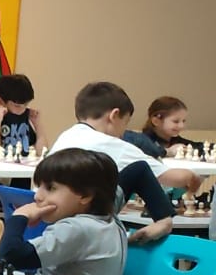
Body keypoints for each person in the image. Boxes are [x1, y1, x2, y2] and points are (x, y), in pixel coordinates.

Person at [47, 81, 186, 244]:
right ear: (114, 115)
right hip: (83, 218)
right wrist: (193, 180)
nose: (123, 133)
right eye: (125, 123)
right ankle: (164, 221)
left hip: (53, 213)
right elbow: (175, 178)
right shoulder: (113, 144)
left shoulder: (66, 136)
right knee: (139, 169)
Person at [0, 73, 41, 154]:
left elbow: (42, 152)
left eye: (26, 104)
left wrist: (37, 124)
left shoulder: (25, 119)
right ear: (1, 101)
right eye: (17, 106)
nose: (23, 109)